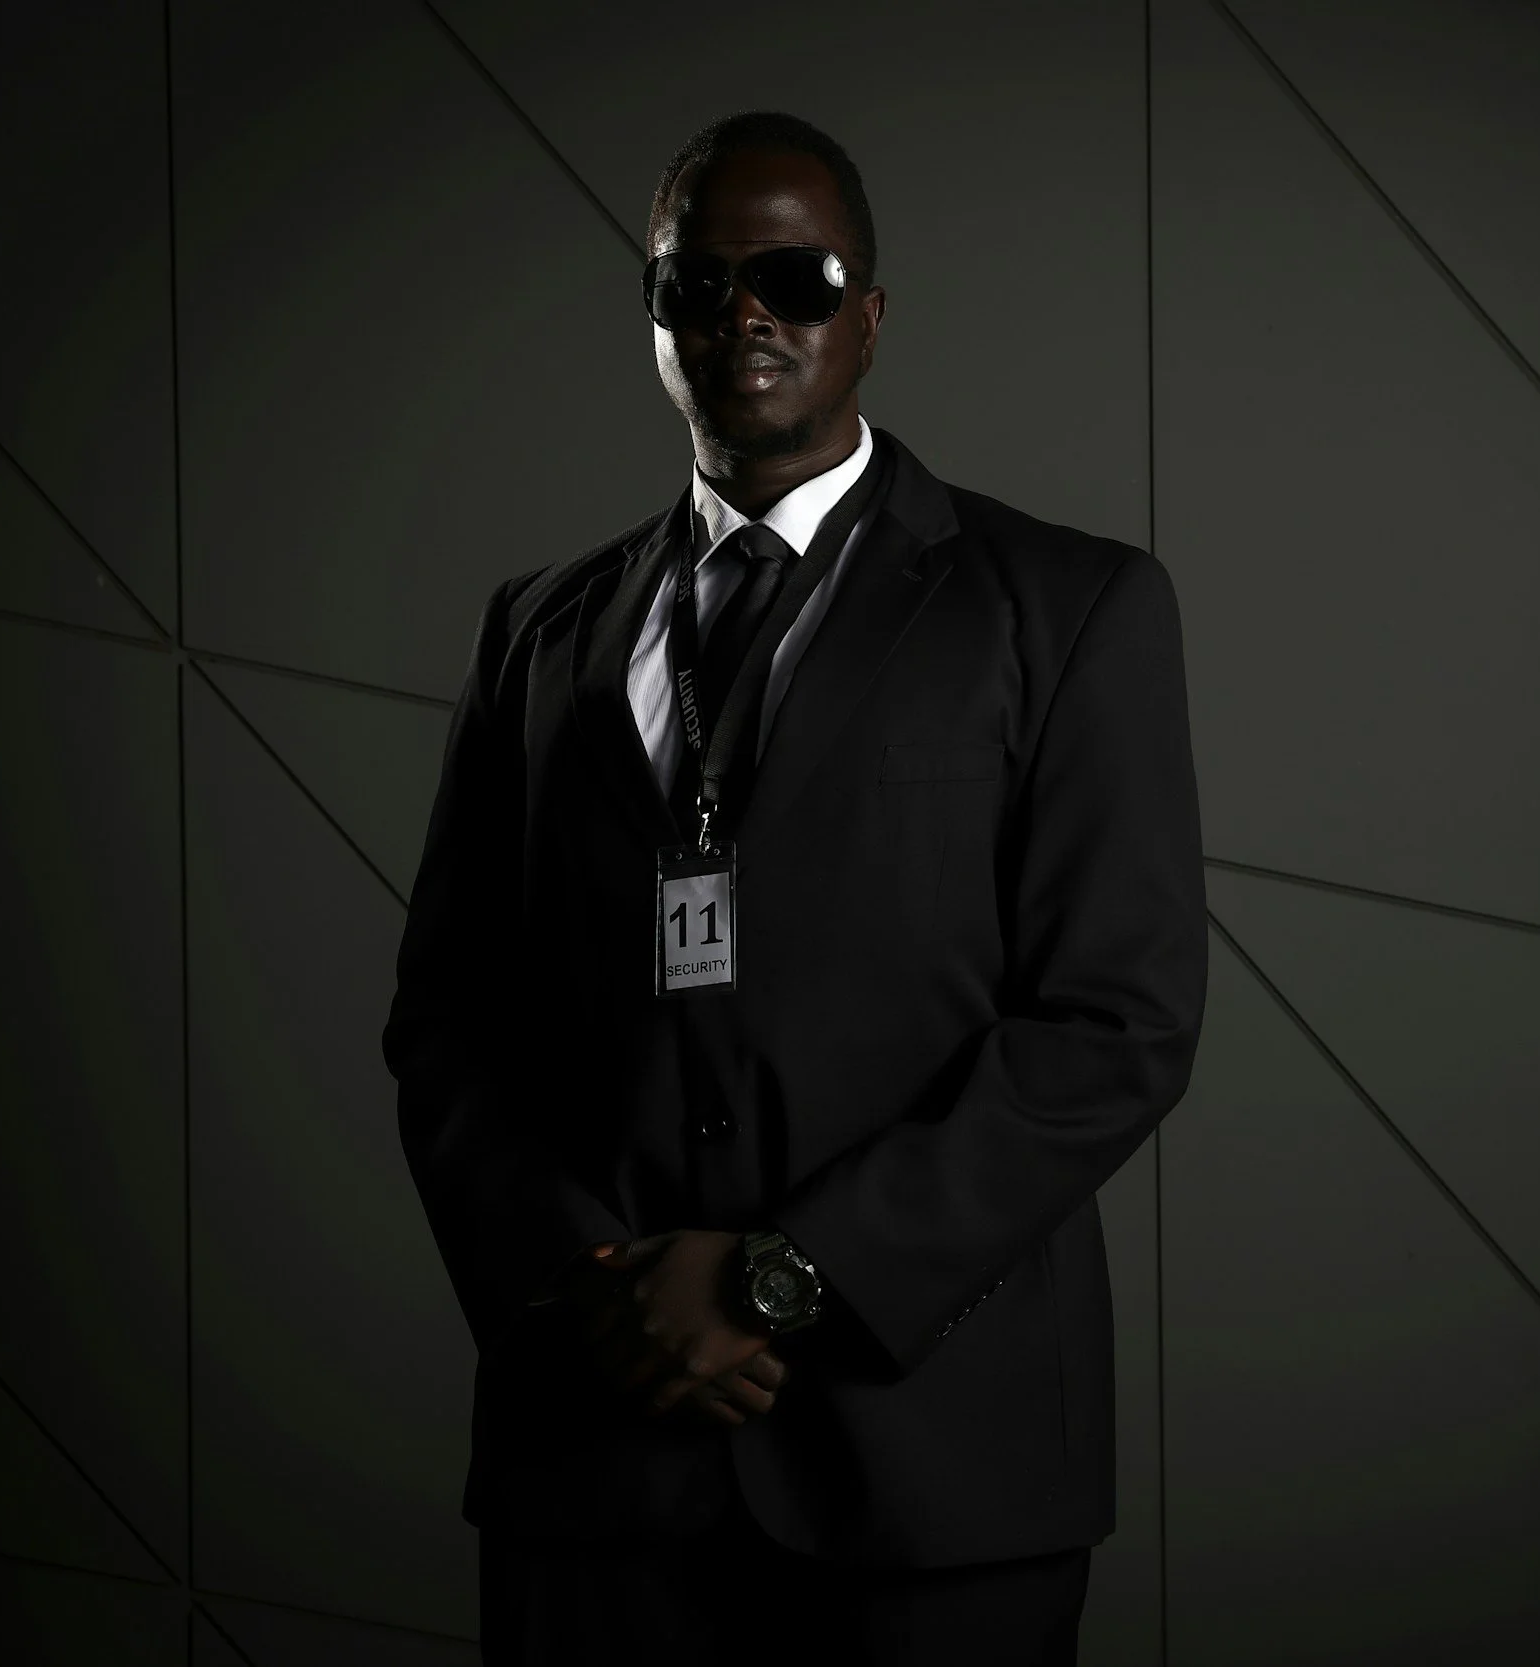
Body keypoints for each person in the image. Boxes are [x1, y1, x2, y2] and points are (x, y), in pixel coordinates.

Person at [382, 108, 1208, 1666]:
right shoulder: (533, 633)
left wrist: (787, 1278)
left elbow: (1119, 1019)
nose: (746, 312)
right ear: (653, 316)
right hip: (595, 1466)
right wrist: (591, 1286)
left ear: (870, 314)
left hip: (934, 1475)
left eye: (799, 276)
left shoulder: (1070, 610)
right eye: (698, 282)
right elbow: (448, 1020)